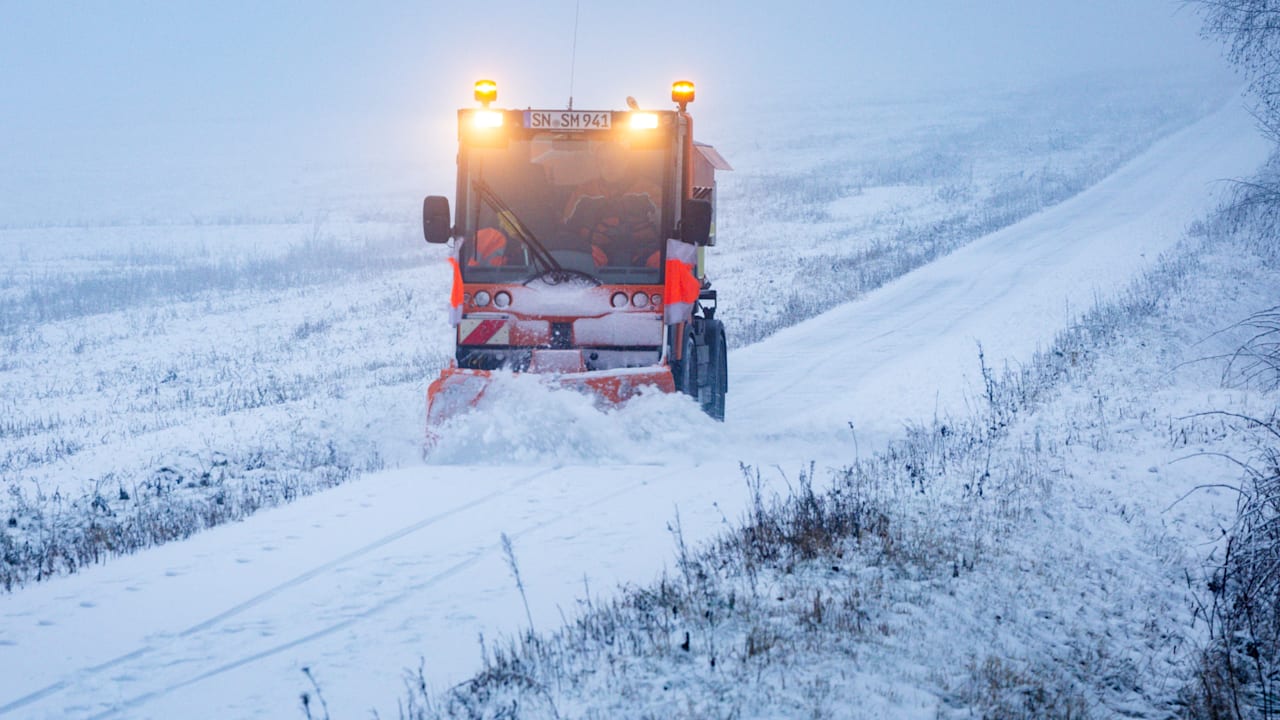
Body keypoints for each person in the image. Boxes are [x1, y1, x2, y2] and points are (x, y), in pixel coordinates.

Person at [562, 142, 662, 268]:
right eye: (603, 162)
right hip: (596, 256)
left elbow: (666, 228)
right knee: (577, 259)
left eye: (615, 161)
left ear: (626, 161)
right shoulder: (583, 193)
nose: (610, 166)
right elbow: (567, 229)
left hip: (643, 254)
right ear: (598, 164)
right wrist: (588, 242)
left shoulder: (650, 191)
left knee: (663, 260)